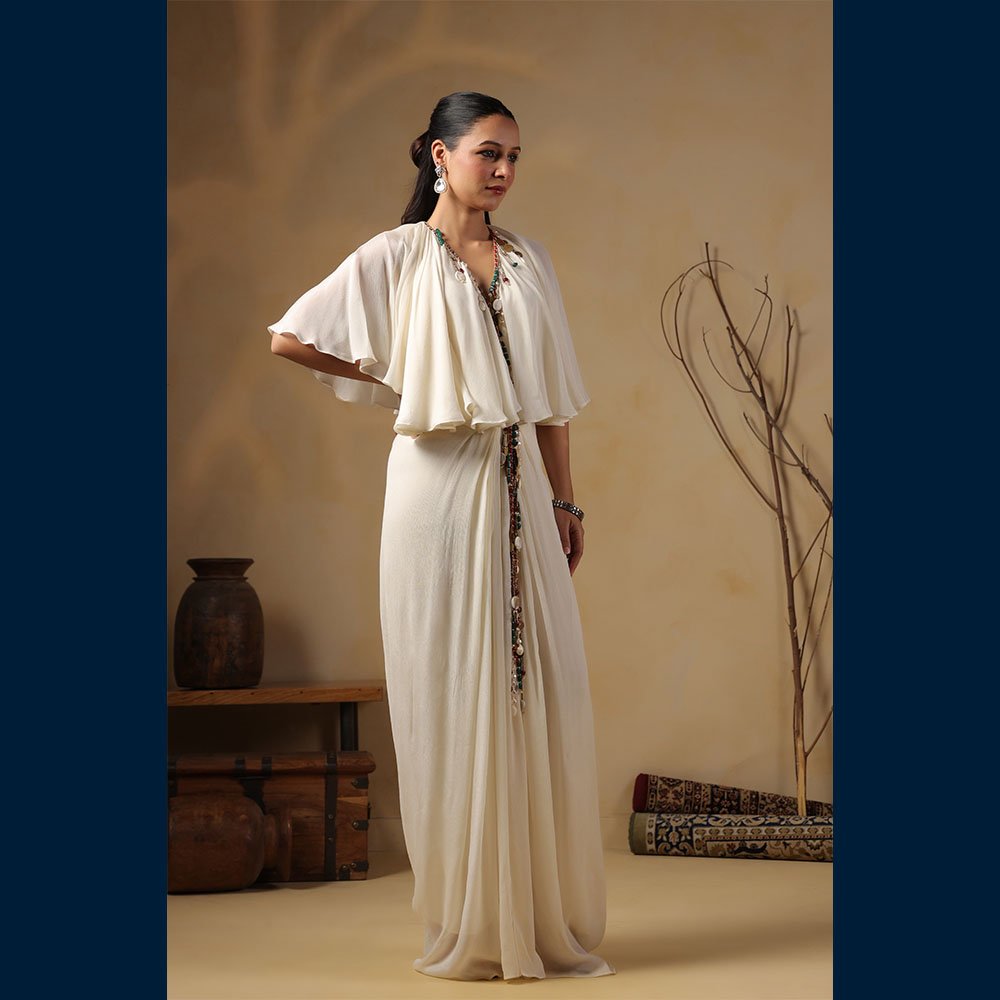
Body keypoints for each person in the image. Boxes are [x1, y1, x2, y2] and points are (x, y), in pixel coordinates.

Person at [267, 91, 615, 982]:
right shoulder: (395, 256)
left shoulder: (529, 261)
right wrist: (397, 375)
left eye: (514, 156)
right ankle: (473, 918)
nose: (502, 170)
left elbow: (550, 400)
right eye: (488, 152)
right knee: (453, 688)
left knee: (534, 690)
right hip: (436, 491)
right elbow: (289, 338)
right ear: (439, 155)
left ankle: (533, 914)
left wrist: (567, 504)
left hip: (521, 488)